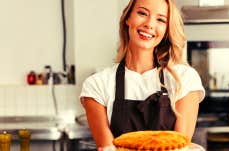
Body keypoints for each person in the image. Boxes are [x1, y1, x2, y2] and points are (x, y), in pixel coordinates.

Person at [80, 0, 205, 149]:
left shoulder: (184, 79)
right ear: (128, 18)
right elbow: (108, 148)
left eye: (160, 19)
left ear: (166, 29)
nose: (149, 24)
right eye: (142, 13)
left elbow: (180, 147)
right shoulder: (97, 84)